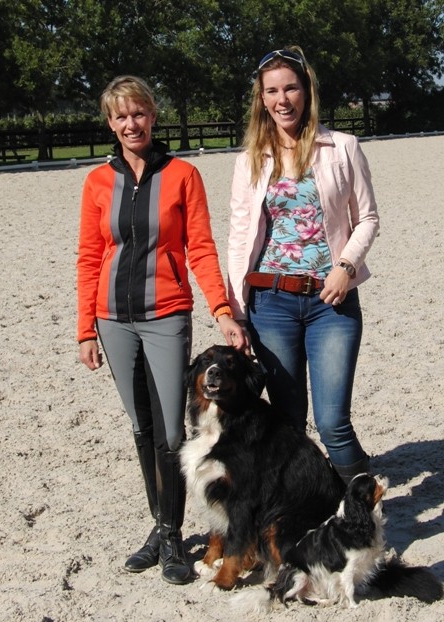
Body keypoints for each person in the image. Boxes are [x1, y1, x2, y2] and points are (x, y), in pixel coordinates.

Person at [77, 75, 248, 585]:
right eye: (120, 116)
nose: (131, 124)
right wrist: (86, 328)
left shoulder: (182, 175)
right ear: (110, 124)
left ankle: (172, 539)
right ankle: (160, 527)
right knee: (141, 428)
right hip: (112, 319)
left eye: (139, 113)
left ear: (153, 116)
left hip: (166, 315)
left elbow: (201, 247)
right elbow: (90, 256)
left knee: (171, 430)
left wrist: (221, 308)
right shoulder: (97, 182)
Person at [227, 47, 379, 485]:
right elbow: (239, 235)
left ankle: (364, 510)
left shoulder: (342, 147)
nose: (283, 100)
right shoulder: (250, 159)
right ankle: (303, 506)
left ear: (306, 91)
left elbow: (368, 218)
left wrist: (346, 266)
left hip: (331, 304)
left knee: (333, 423)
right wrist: (235, 311)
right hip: (270, 304)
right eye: (272, 91)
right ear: (261, 99)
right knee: (288, 421)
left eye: (291, 88)